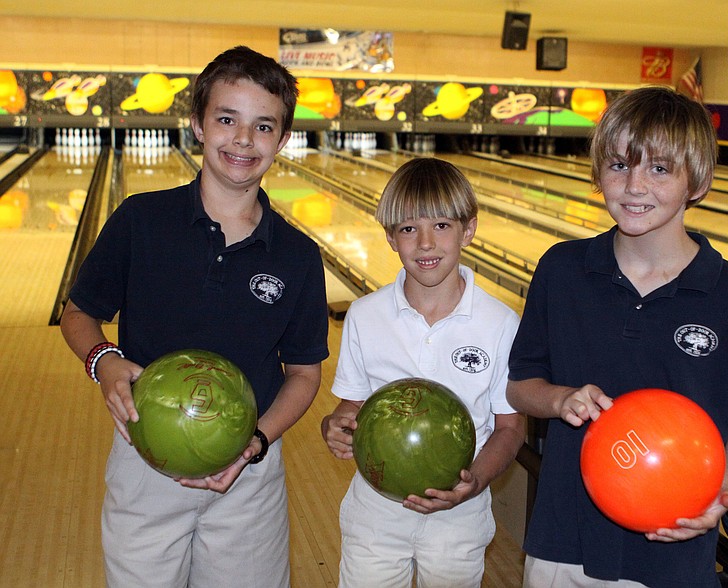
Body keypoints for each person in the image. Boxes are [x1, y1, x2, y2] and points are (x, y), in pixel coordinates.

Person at [60, 46, 329, 587]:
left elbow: (304, 374)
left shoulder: (298, 256)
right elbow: (79, 313)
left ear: (281, 140)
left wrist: (256, 442)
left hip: (250, 468)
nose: (243, 140)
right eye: (227, 119)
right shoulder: (142, 220)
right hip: (145, 457)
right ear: (198, 126)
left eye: (263, 126)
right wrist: (104, 361)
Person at [506, 86, 728, 588]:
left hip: (674, 547)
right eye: (618, 165)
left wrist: (720, 498)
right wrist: (561, 398)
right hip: (565, 541)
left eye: (659, 168)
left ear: (697, 181)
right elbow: (520, 385)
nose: (633, 186)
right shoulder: (561, 270)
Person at [322, 157, 525, 588]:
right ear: (391, 238)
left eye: (442, 226)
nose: (426, 243)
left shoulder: (500, 322)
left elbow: (510, 427)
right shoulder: (364, 315)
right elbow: (352, 405)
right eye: (410, 228)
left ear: (468, 230)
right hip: (375, 507)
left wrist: (473, 483)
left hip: (461, 510)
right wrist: (335, 424)